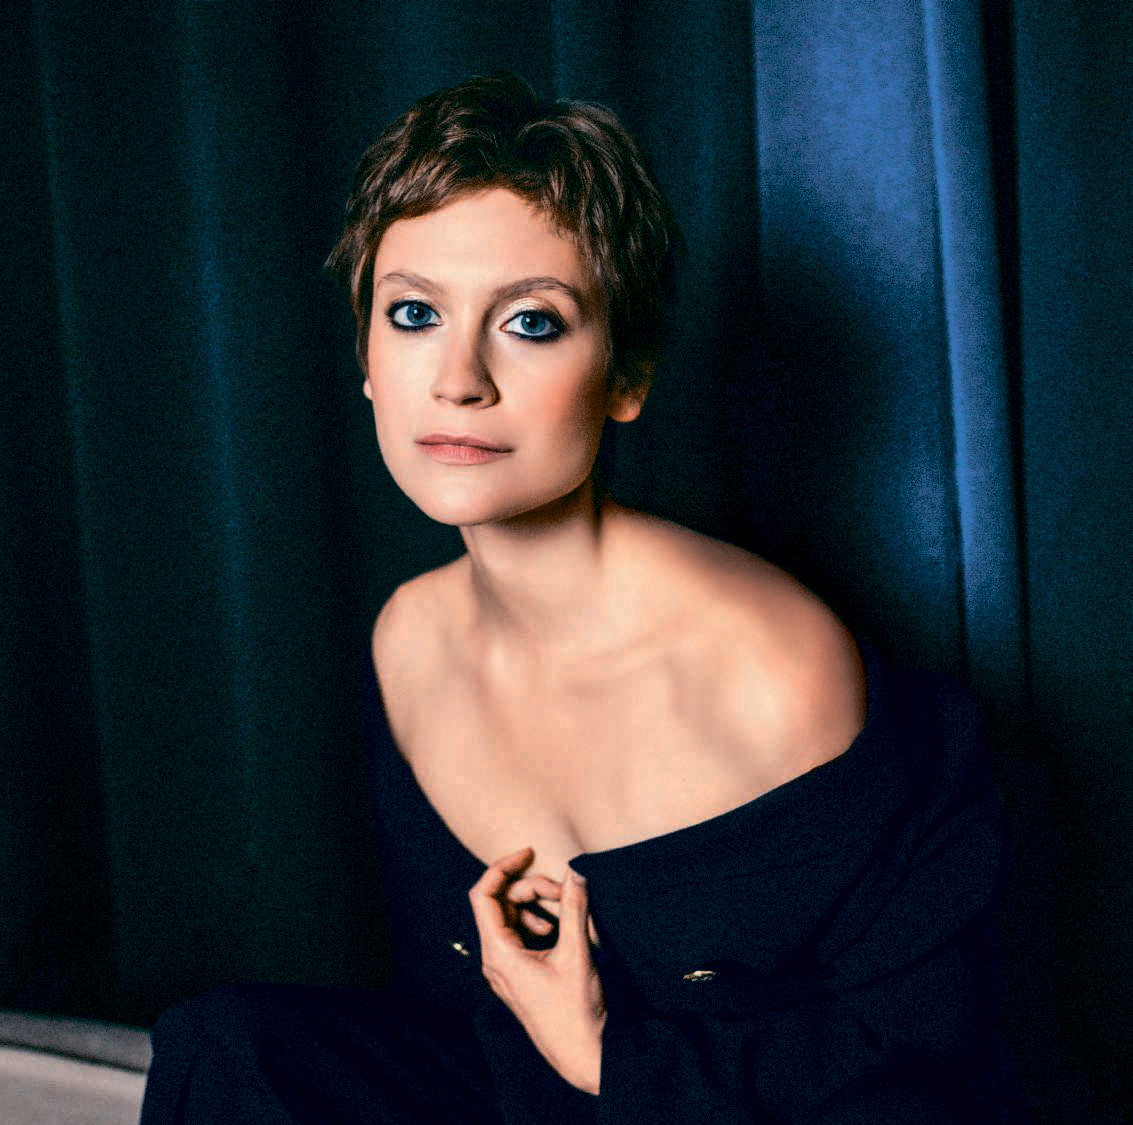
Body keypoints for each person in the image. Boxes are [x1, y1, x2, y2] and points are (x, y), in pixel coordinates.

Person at [139, 73, 1028, 1123]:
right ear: (367, 360)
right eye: (414, 314)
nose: (458, 378)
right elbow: (464, 1032)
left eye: (529, 322)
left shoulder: (774, 672)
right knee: (226, 1049)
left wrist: (608, 1055)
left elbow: (927, 1076)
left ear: (627, 375)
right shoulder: (410, 641)